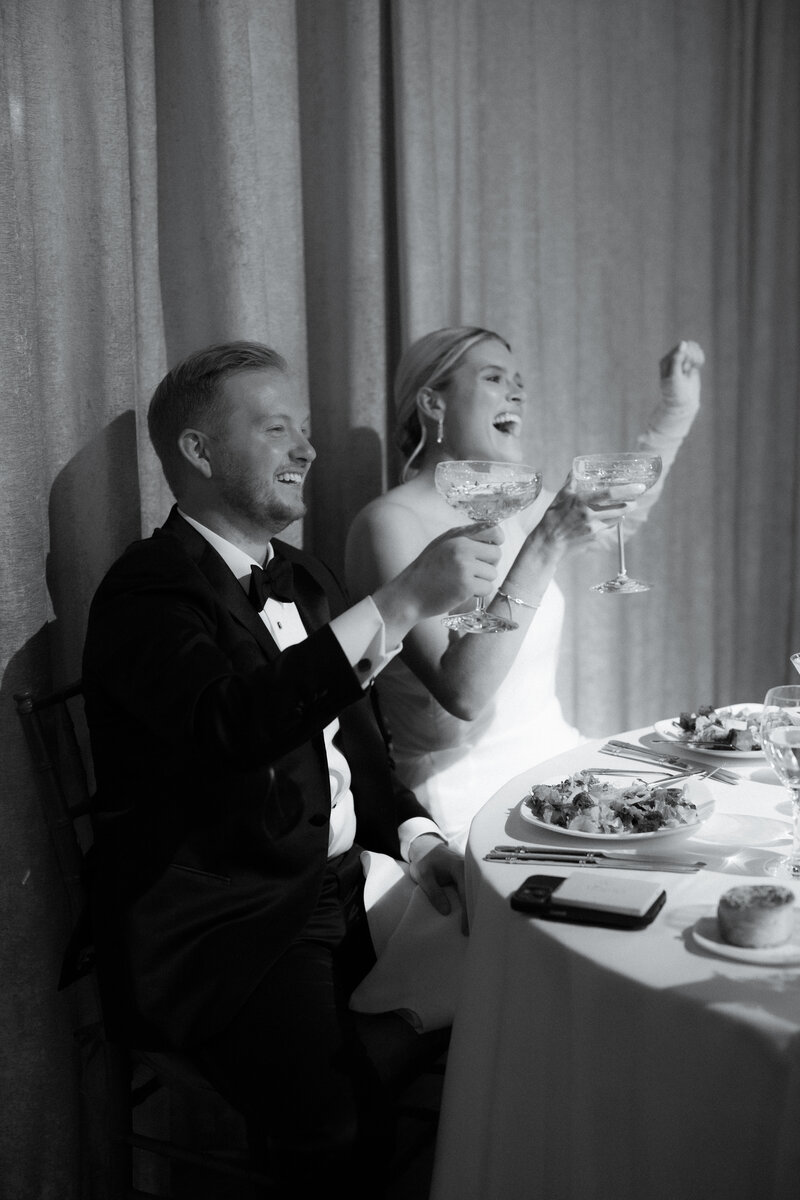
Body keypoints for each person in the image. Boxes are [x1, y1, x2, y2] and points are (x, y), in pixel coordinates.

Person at [81, 340, 504, 1196]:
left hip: (347, 885)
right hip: (228, 926)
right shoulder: (146, 592)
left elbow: (360, 751)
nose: (308, 451)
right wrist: (398, 602)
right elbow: (229, 727)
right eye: (278, 430)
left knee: (525, 957)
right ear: (198, 453)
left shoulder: (303, 575)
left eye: (305, 430)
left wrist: (421, 843)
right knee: (342, 1125)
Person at [345, 327, 704, 851]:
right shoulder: (388, 523)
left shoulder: (513, 502)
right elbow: (463, 693)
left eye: (519, 383)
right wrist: (542, 547)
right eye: (494, 378)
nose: (517, 393)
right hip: (469, 801)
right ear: (431, 402)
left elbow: (622, 512)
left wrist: (675, 411)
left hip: (563, 770)